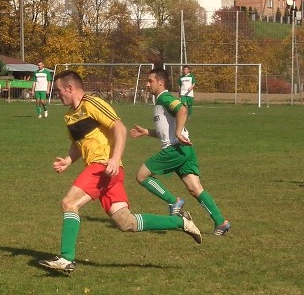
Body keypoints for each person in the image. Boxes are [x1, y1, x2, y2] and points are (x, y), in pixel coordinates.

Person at [38, 70, 202, 275]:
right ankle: (181, 222)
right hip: (104, 171)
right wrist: (68, 160)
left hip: (104, 166)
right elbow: (78, 145)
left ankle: (66, 258)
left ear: (70, 88)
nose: (57, 94)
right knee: (126, 222)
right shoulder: (70, 117)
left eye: (59, 90)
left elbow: (120, 128)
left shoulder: (92, 103)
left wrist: (115, 158)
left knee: (69, 203)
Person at [130, 67, 231, 235]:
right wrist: (147, 132)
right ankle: (221, 222)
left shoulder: (165, 98)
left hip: (175, 149)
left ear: (161, 82)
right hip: (184, 149)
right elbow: (165, 132)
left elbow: (182, 109)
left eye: (150, 81)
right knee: (195, 188)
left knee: (141, 175)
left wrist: (178, 132)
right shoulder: (159, 101)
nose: (147, 84)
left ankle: (173, 201)